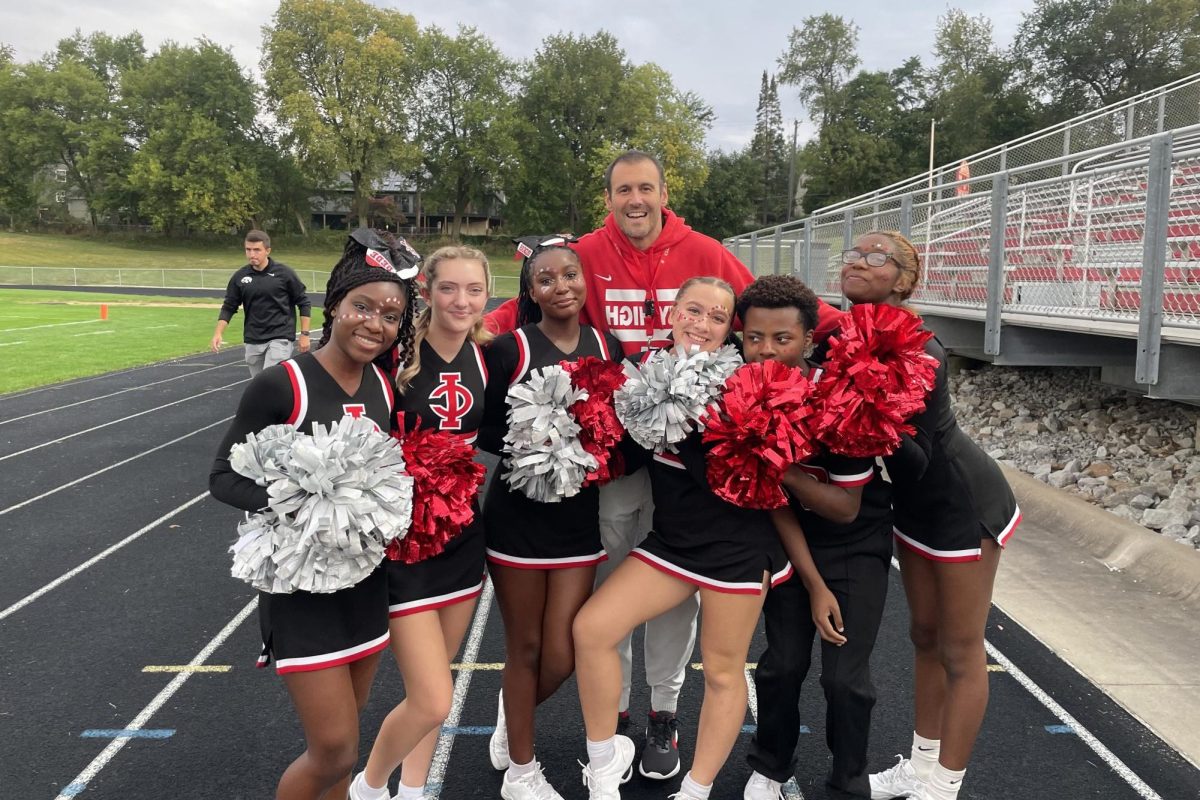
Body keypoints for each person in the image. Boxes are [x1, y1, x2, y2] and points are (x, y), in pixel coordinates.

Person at [487, 150, 843, 780]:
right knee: (612, 591)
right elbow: (532, 301)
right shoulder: (588, 253)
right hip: (628, 451)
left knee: (679, 604)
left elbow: (777, 307)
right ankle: (615, 716)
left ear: (663, 192)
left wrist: (863, 335)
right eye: (623, 189)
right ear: (609, 197)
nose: (635, 200)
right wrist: (467, 331)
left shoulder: (704, 252)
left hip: (695, 462)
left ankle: (663, 713)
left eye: (645, 188)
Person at [209, 228, 418, 800]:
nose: (375, 323)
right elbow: (222, 477)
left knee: (343, 756)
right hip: (301, 593)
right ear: (335, 306)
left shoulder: (383, 385)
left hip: (366, 585)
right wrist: (296, 503)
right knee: (333, 751)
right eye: (363, 307)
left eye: (392, 315)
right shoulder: (284, 384)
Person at [573, 277, 794, 800]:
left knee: (721, 670)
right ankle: (604, 766)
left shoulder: (742, 380)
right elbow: (632, 452)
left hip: (736, 549)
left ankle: (695, 790)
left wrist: (688, 418)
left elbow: (726, 473)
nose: (703, 324)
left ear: (728, 331)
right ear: (673, 313)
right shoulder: (650, 371)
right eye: (694, 311)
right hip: (673, 543)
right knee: (591, 629)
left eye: (718, 318)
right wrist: (580, 439)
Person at [842, 232, 1021, 800]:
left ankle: (943, 786)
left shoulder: (920, 348)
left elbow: (912, 455)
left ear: (903, 279)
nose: (857, 262)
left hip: (961, 505)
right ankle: (919, 768)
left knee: (962, 649)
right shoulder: (849, 332)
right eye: (853, 253)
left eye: (876, 258)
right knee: (923, 635)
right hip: (913, 505)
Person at [736, 275, 894, 800]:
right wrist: (811, 584)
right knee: (782, 665)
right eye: (754, 337)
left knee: (845, 679)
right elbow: (776, 506)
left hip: (855, 545)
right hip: (791, 541)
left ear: (808, 341)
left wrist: (771, 460)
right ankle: (770, 765)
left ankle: (849, 779)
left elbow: (846, 508)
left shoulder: (841, 396)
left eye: (782, 339)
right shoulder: (741, 393)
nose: (766, 350)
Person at [479, 238, 623, 800]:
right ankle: (522, 771)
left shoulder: (607, 345)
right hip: (517, 516)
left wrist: (593, 441)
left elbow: (624, 427)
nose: (561, 286)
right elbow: (484, 429)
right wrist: (536, 436)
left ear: (584, 281)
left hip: (577, 519)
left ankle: (509, 711)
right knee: (527, 649)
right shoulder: (510, 348)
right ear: (531, 290)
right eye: (546, 278)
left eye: (570, 274)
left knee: (563, 654)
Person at [350, 245, 493, 800]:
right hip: (404, 539)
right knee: (432, 697)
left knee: (439, 685)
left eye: (474, 290)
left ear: (487, 296)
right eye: (449, 288)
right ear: (428, 292)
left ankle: (413, 790)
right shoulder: (394, 355)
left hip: (462, 535)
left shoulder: (490, 357)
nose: (462, 300)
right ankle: (367, 786)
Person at [211, 229, 313, 376]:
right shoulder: (240, 277)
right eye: (248, 250)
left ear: (267, 251)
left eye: (257, 250)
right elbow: (229, 306)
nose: (252, 254)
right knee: (258, 387)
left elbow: (303, 302)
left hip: (280, 337)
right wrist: (218, 333)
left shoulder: (284, 274)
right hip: (253, 339)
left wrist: (304, 334)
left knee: (270, 380)